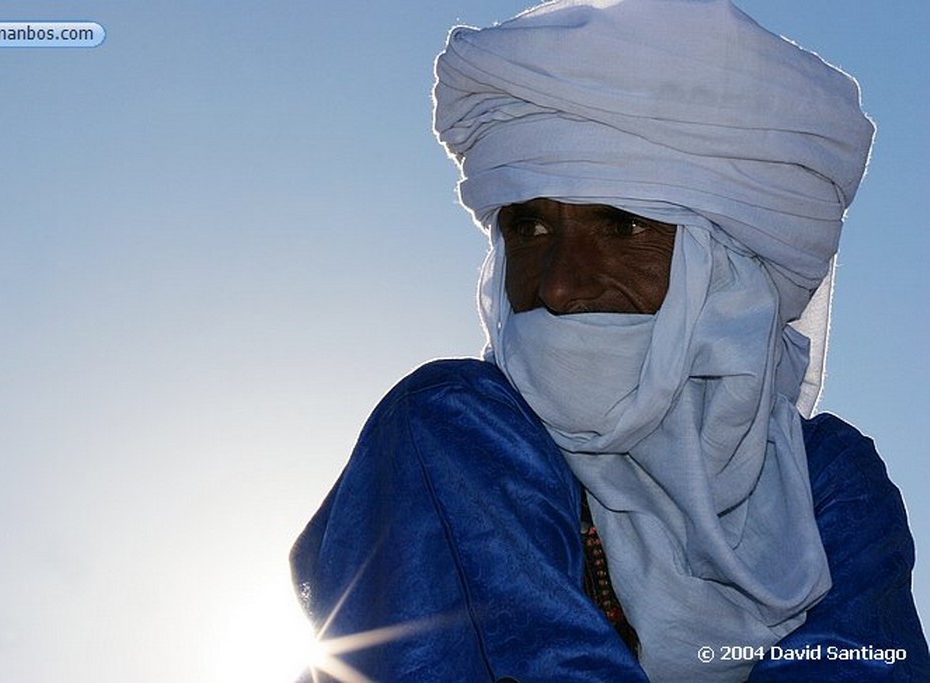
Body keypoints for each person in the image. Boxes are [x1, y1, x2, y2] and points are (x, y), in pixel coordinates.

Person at [290, 1, 929, 681]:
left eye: (621, 227)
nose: (559, 288)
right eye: (529, 230)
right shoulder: (452, 433)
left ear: (724, 270)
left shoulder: (830, 483)